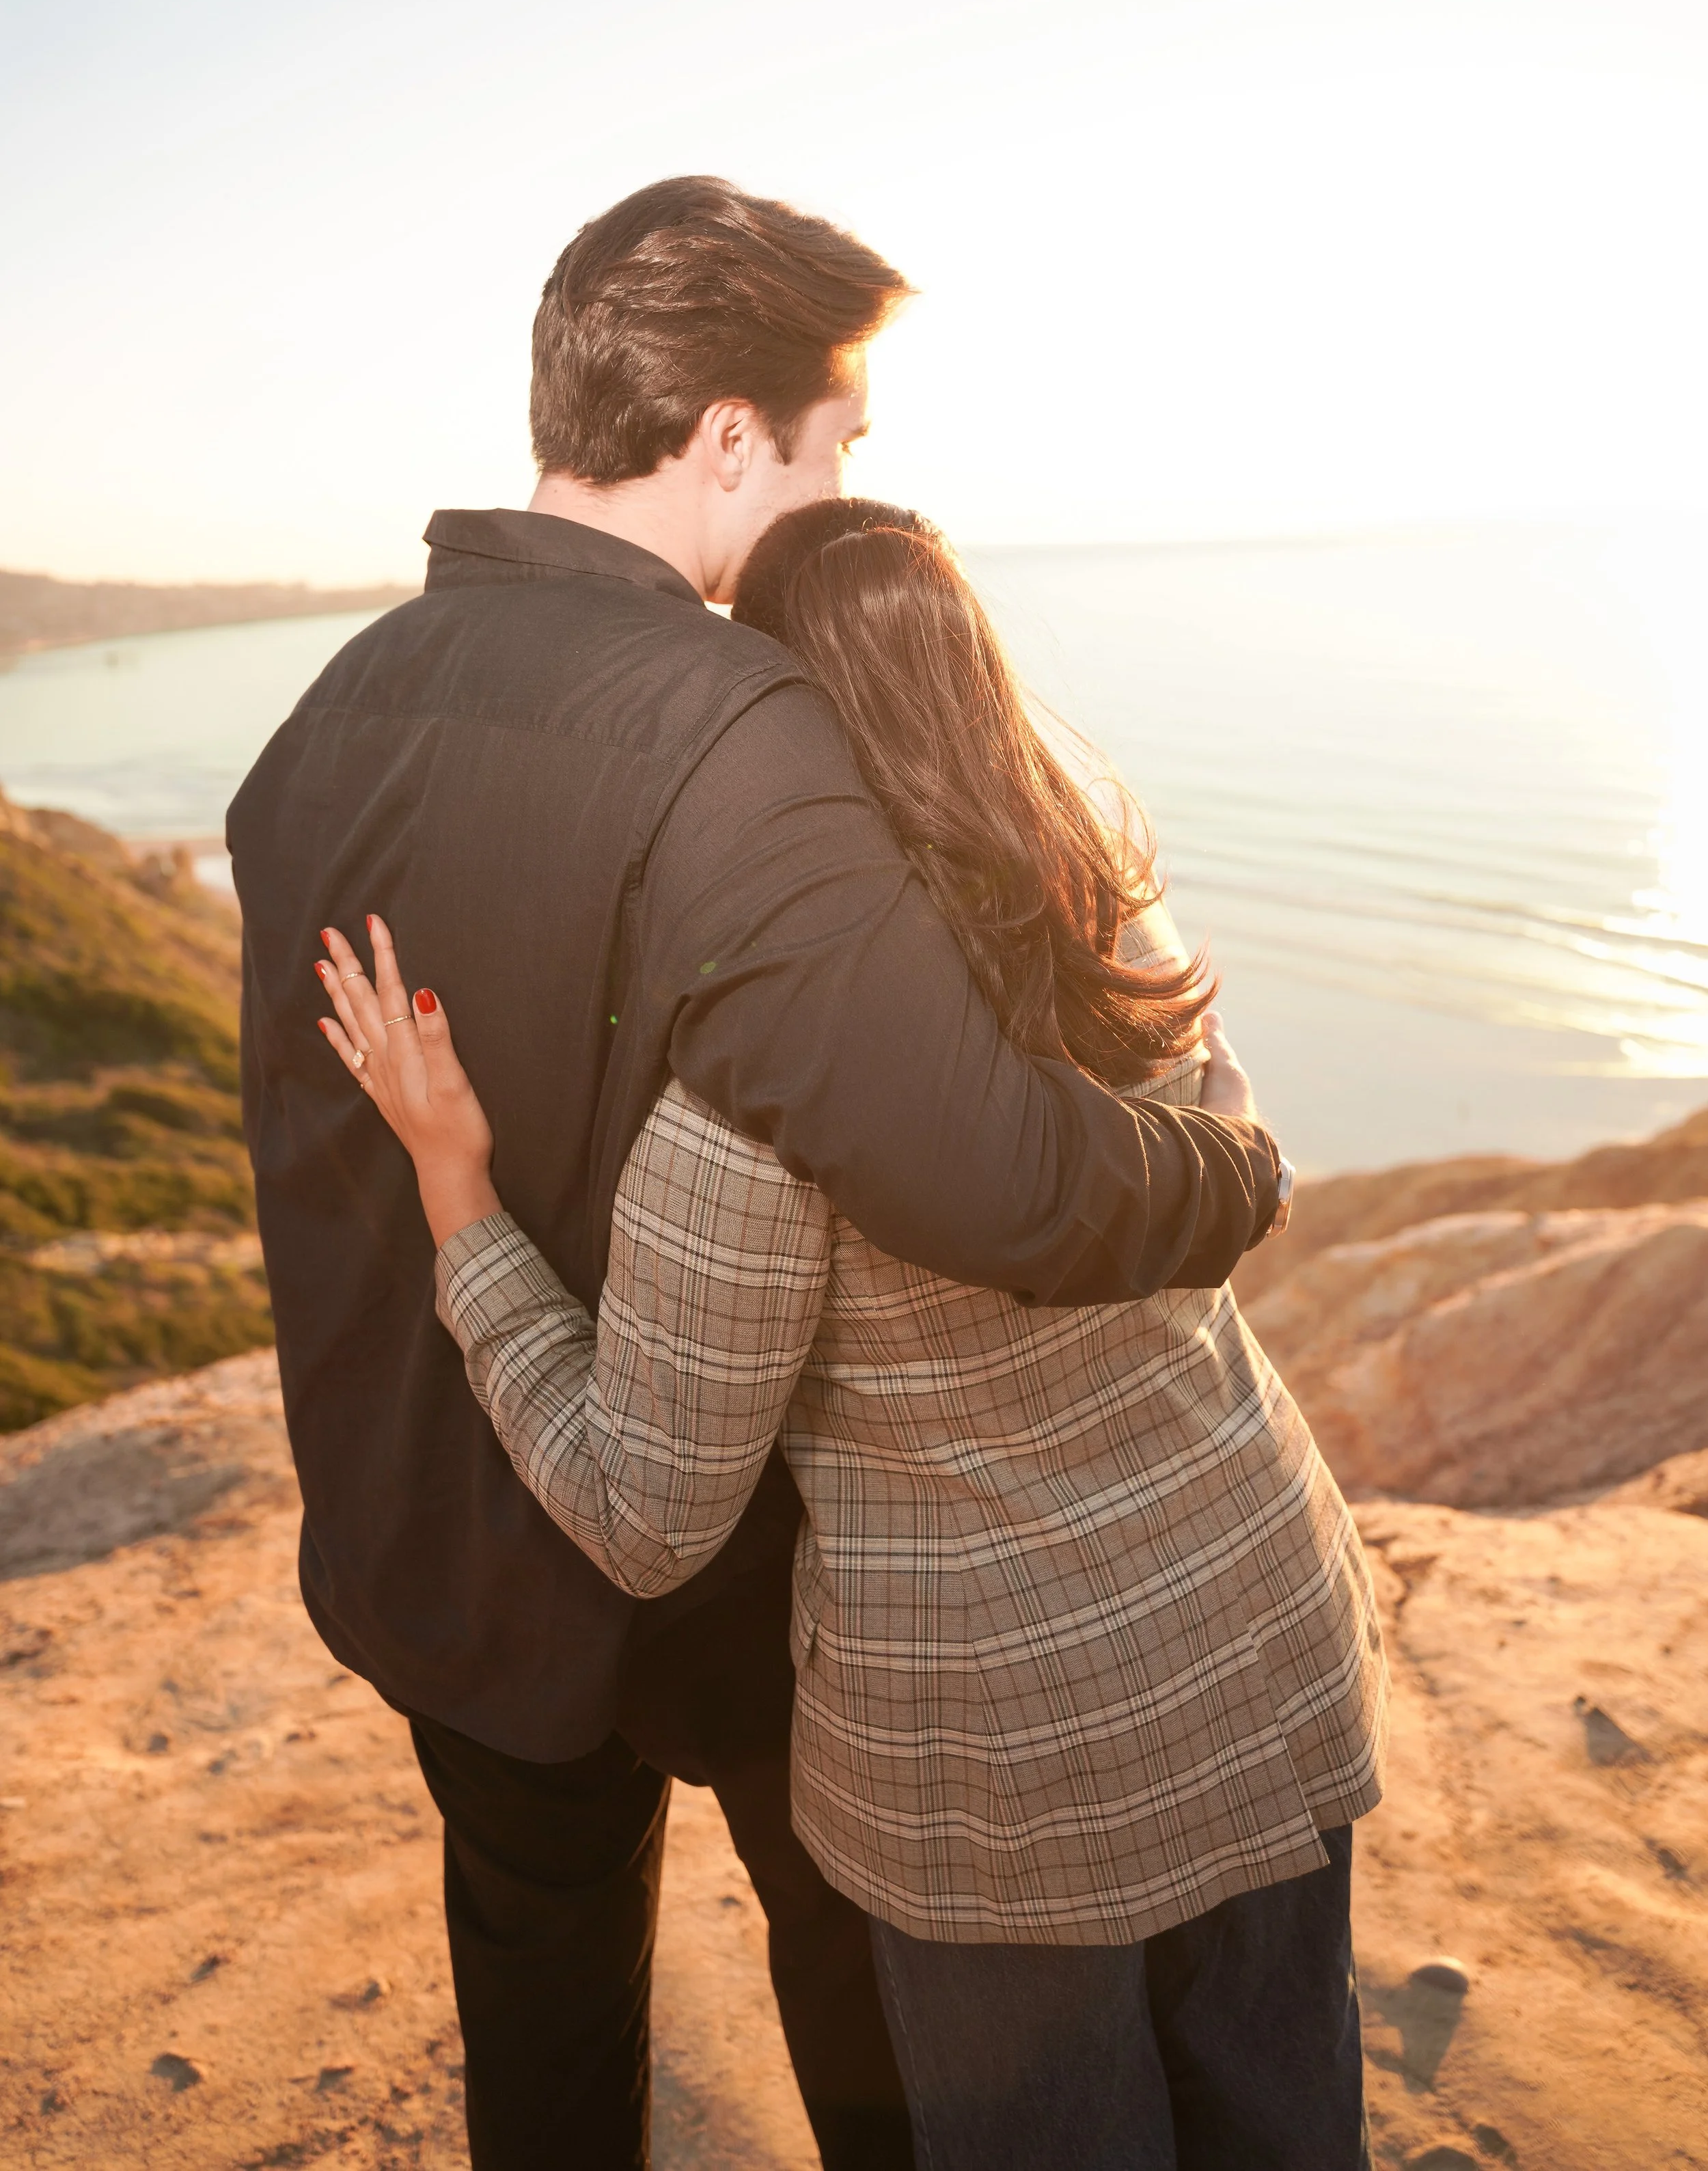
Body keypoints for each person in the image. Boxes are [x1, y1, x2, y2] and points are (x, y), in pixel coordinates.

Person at [228, 178, 1288, 2171]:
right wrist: (1227, 1170)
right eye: (836, 445)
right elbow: (996, 1183)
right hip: (712, 1575)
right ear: (732, 440)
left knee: (540, 2042)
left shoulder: (315, 724)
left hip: (432, 1549)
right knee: (879, 2042)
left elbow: (318, 1154)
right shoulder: (740, 726)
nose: (840, 480)